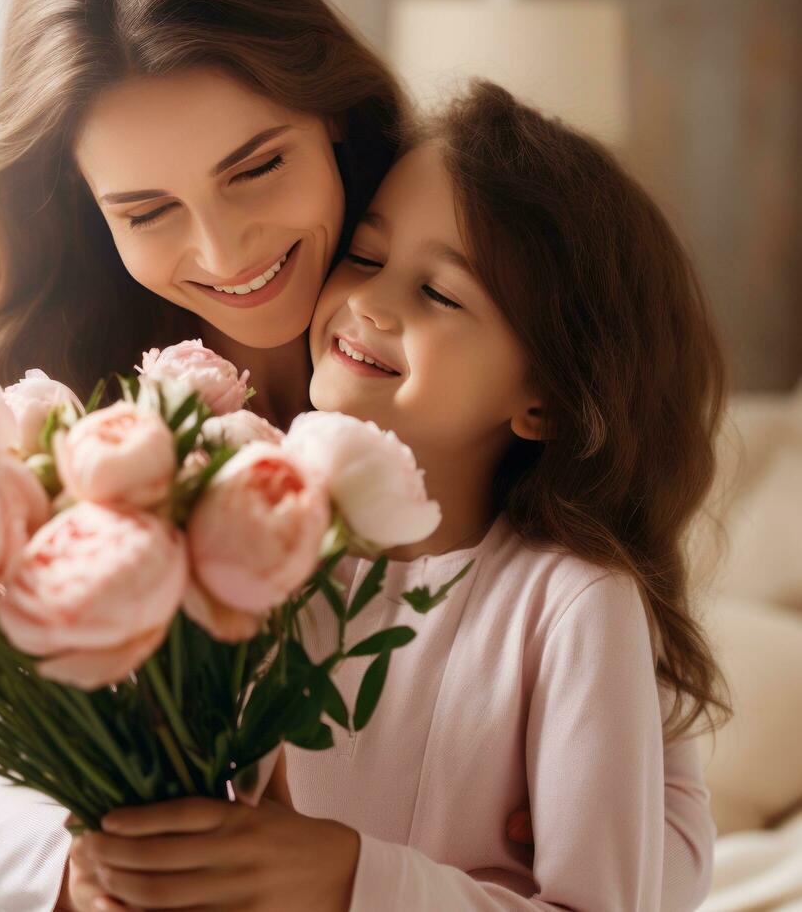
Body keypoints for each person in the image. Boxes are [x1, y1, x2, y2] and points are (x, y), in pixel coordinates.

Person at [0, 0, 719, 909]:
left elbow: (629, 831)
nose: (222, 246)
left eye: (255, 167)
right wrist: (81, 872)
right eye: (145, 209)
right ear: (89, 215)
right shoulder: (98, 415)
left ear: (334, 123)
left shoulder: (457, 259)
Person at [64, 81, 732, 911]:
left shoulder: (573, 606)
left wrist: (350, 880)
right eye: (366, 258)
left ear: (547, 399)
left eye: (440, 294)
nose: (368, 303)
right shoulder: (225, 543)